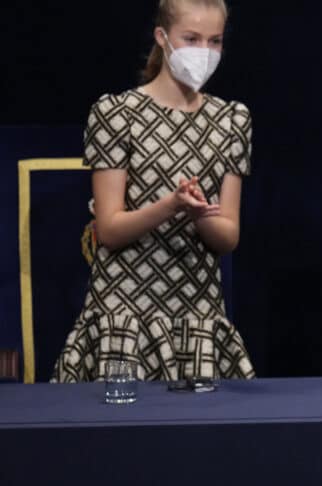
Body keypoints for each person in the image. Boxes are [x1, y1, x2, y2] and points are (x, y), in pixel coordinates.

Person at [55, 0, 254, 382]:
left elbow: (228, 235)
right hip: (124, 316)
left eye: (214, 41)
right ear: (162, 37)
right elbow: (109, 229)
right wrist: (171, 205)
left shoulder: (232, 120)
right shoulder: (117, 114)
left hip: (198, 317)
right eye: (191, 39)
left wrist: (199, 215)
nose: (204, 52)